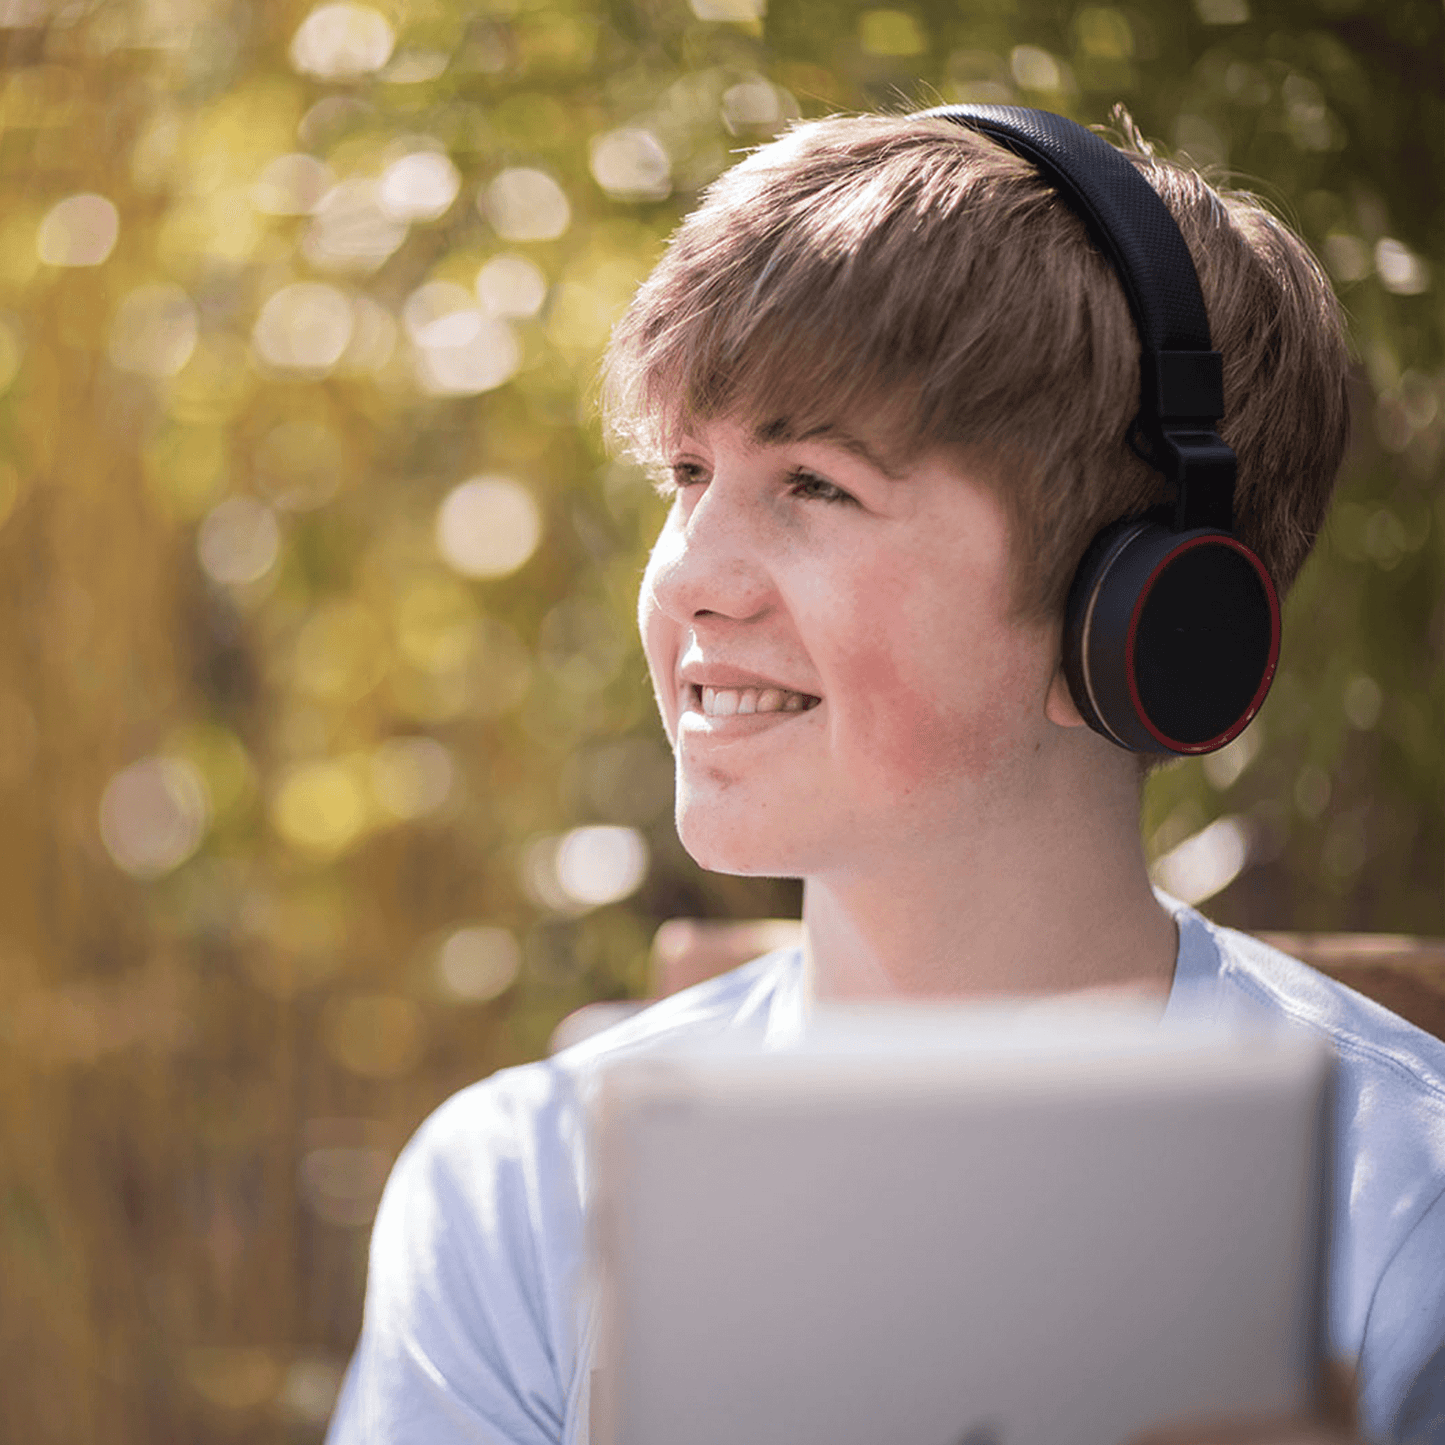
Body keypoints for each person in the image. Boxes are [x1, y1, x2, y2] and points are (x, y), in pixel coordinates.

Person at [325, 109, 1445, 1444]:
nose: (686, 574)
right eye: (689, 473)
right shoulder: (517, 1192)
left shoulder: (1402, 1210)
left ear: (1138, 612)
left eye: (815, 485)